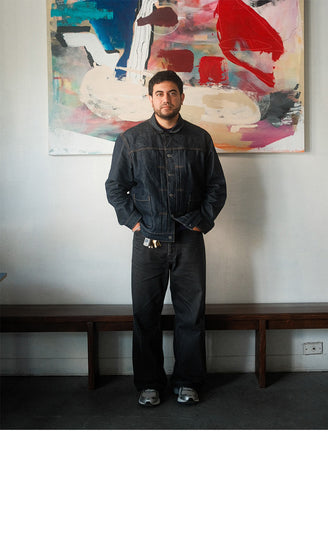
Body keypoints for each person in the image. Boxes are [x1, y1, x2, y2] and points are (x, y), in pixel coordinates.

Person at [105, 70, 227, 407]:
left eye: (172, 93)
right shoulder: (131, 140)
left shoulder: (200, 139)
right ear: (150, 98)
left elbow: (216, 186)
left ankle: (188, 382)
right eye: (159, 93)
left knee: (191, 315)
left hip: (189, 239)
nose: (166, 99)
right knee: (145, 316)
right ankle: (149, 384)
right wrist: (134, 222)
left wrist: (201, 221)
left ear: (182, 97)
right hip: (148, 241)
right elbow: (115, 187)